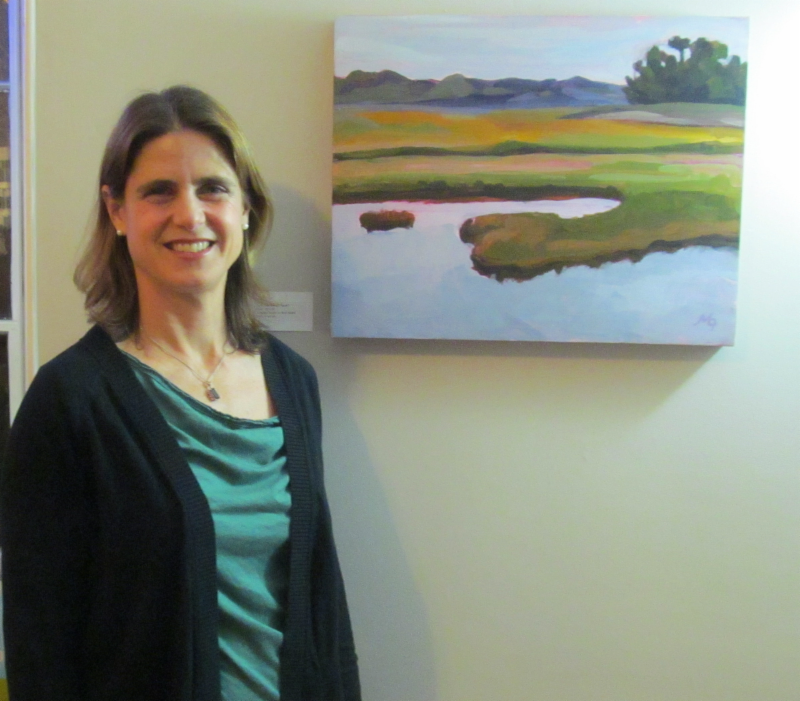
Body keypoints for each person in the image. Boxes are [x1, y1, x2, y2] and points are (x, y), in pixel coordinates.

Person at [0, 85, 360, 701]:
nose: (189, 215)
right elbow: (40, 642)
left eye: (213, 188)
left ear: (245, 208)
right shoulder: (69, 400)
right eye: (159, 191)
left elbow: (321, 606)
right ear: (118, 211)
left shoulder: (294, 381)